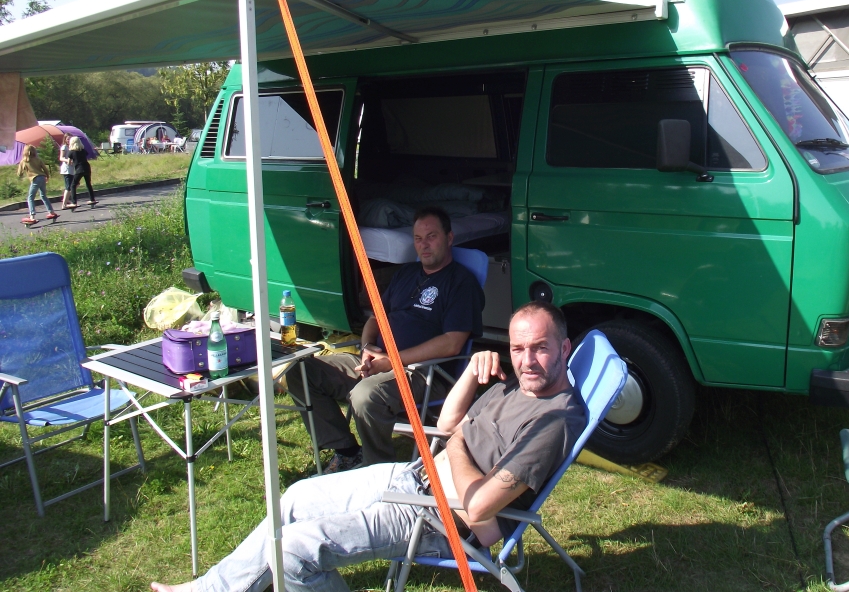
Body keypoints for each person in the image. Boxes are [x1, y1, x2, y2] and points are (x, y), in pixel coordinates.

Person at [150, 301, 586, 592]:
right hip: (414, 478)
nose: (527, 360)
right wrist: (472, 372)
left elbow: (478, 506)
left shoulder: (553, 421)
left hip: (438, 520)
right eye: (517, 348)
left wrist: (455, 447)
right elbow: (448, 424)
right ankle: (210, 589)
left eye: (540, 348)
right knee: (295, 498)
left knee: (294, 551)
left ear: (565, 347)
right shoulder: (515, 386)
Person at [286, 205, 485, 471]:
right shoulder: (405, 274)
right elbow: (375, 318)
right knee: (301, 371)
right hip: (379, 361)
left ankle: (377, 470)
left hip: (423, 372)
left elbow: (453, 342)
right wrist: (367, 348)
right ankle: (346, 451)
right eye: (418, 238)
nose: (424, 245)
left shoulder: (461, 282)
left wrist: (391, 361)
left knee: (365, 396)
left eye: (432, 236)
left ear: (449, 238)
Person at [16, 145, 57, 225]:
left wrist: (20, 175)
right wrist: (47, 176)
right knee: (43, 196)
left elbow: (19, 173)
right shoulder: (38, 159)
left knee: (30, 197)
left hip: (35, 179)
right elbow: (45, 169)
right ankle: (51, 211)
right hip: (42, 177)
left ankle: (32, 216)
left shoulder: (24, 161)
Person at [67, 136, 98, 207]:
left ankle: (74, 202)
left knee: (73, 185)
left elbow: (69, 162)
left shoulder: (71, 152)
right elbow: (85, 156)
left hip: (79, 169)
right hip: (87, 167)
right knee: (88, 184)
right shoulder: (83, 150)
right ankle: (92, 199)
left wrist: (72, 162)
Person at [58, 140, 73, 209]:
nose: (69, 140)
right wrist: (67, 160)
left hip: (72, 169)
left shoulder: (72, 147)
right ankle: (64, 204)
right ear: (65, 139)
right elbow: (61, 158)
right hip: (67, 169)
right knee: (68, 186)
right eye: (68, 139)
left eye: (70, 139)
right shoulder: (64, 147)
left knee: (75, 184)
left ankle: (66, 198)